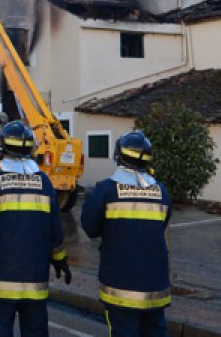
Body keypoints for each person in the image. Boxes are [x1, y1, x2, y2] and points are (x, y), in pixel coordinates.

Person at [0, 120, 70, 337]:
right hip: (35, 276)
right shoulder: (44, 183)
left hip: (0, 278)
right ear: (31, 148)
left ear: (3, 147)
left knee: (1, 330)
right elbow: (55, 229)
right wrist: (60, 259)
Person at [80, 131, 173, 337]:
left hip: (121, 285)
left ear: (118, 155)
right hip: (155, 287)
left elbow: (90, 227)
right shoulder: (162, 191)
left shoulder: (106, 190)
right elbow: (161, 226)